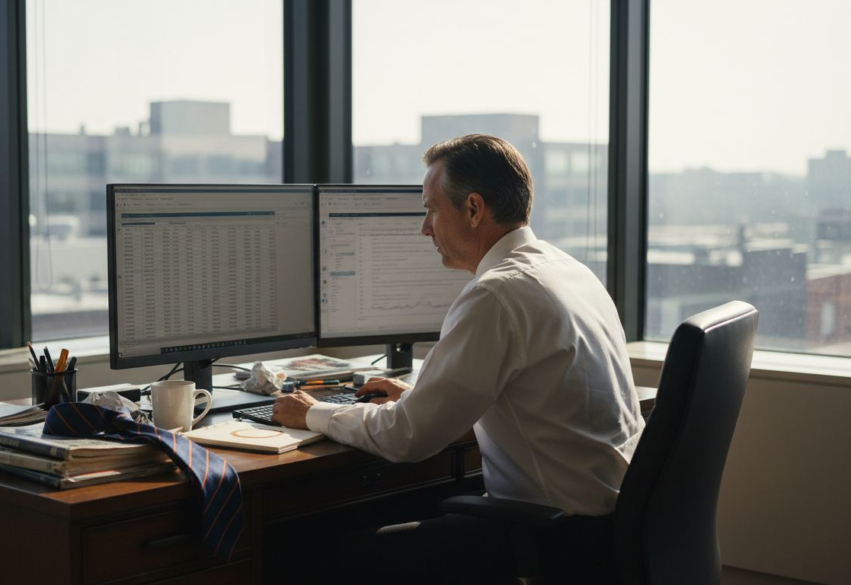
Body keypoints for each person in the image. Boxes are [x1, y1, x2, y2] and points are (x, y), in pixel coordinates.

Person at [270, 134, 645, 581]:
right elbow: (530, 394)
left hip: (550, 538)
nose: (424, 227)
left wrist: (314, 414)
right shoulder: (569, 270)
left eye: (431, 209)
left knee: (307, 557)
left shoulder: (496, 294)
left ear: (472, 209)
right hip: (608, 529)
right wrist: (420, 395)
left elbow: (408, 438)